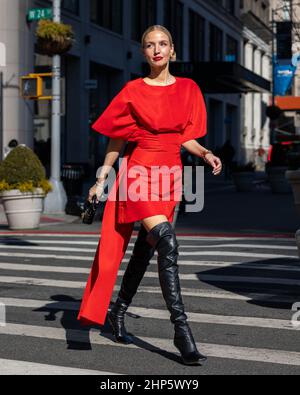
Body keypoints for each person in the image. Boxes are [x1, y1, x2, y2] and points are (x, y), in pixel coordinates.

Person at [77, 25, 222, 365]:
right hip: (138, 175)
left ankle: (118, 313)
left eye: (162, 44)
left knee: (146, 251)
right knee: (168, 242)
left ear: (172, 50)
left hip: (170, 176)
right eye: (149, 45)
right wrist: (102, 178)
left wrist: (204, 154)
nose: (156, 50)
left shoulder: (188, 89)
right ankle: (182, 331)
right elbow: (117, 138)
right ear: (143, 52)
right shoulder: (132, 90)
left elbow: (184, 136)